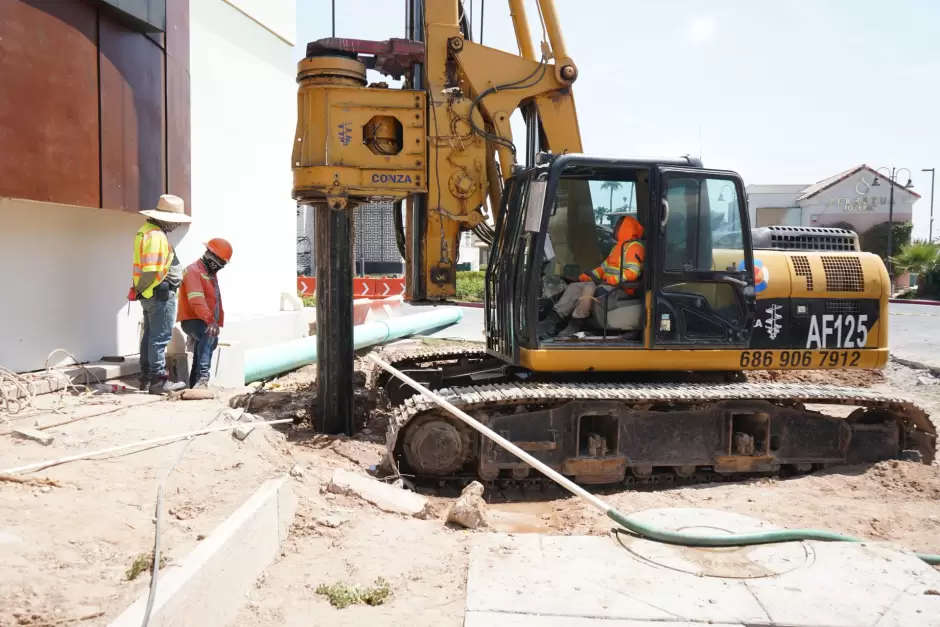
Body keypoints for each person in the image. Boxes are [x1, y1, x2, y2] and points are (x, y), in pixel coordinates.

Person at [538, 215, 645, 338]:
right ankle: (552, 320)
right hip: (609, 285)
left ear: (626, 228)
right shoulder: (618, 247)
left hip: (622, 289)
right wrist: (582, 277)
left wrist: (611, 280)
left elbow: (633, 272)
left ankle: (575, 324)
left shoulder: (634, 247)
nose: (614, 228)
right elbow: (602, 269)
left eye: (617, 226)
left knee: (589, 288)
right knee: (575, 287)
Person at [131, 194, 191, 394]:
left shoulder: (144, 231)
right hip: (159, 295)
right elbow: (152, 270)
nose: (175, 226)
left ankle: (147, 378)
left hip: (149, 294)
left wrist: (139, 290)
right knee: (160, 337)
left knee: (149, 335)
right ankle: (158, 381)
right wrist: (141, 289)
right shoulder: (156, 236)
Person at [177, 238, 233, 389]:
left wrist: (215, 320)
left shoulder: (210, 273)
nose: (222, 266)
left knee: (206, 344)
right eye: (221, 261)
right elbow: (196, 300)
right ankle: (203, 378)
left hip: (205, 320)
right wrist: (210, 320)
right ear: (211, 256)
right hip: (192, 319)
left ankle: (194, 383)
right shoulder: (194, 271)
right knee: (209, 335)